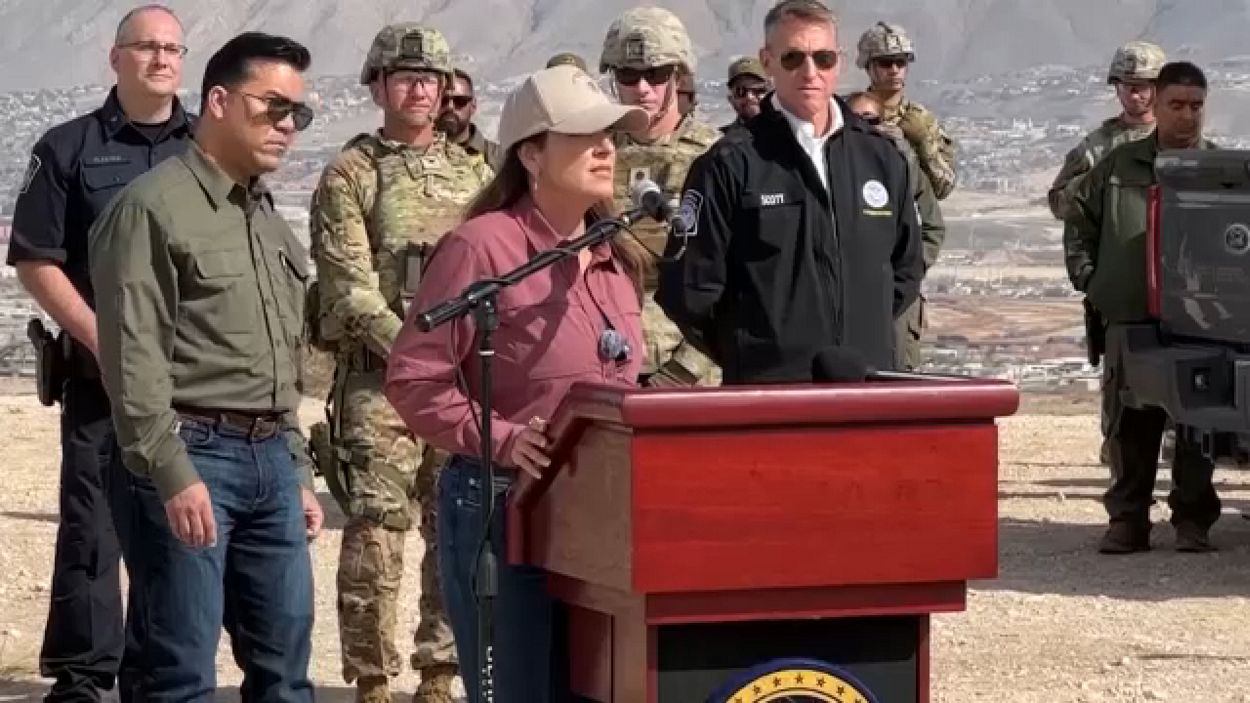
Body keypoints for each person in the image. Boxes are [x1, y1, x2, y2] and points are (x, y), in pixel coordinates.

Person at [384, 64, 649, 703]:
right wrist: (502, 438)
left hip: (598, 515)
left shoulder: (616, 255)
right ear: (531, 154)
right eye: (584, 136)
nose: (606, 149)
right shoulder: (482, 248)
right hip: (503, 508)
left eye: (610, 135)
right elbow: (415, 379)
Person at [88, 32, 323, 700]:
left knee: (285, 671)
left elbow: (276, 361)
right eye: (273, 107)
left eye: (299, 114)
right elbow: (133, 360)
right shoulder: (152, 208)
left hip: (270, 460)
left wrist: (296, 469)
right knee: (179, 672)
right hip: (191, 454)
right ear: (218, 102)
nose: (287, 126)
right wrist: (172, 473)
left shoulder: (264, 216)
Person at [4, 5, 194, 700]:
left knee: (181, 531)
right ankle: (83, 677)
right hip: (100, 379)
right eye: (146, 46)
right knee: (92, 530)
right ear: (115, 58)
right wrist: (102, 341)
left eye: (172, 48)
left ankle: (163, 673)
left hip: (194, 383)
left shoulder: (211, 148)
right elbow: (36, 258)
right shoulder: (68, 148)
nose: (161, 58)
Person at [307, 23, 490, 703]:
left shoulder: (476, 174)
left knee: (456, 530)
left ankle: (441, 671)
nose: (419, 89)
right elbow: (348, 288)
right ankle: (373, 678)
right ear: (378, 86)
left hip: (459, 381)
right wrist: (420, 353)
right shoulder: (351, 174)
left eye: (430, 78)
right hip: (380, 382)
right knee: (376, 533)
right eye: (405, 77)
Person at [656, 0, 922, 384]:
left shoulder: (880, 159)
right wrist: (751, 354)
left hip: (867, 387)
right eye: (793, 58)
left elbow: (905, 269)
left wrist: (861, 332)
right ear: (768, 62)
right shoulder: (730, 164)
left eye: (823, 58)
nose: (810, 72)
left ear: (839, 62)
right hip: (770, 397)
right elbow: (688, 291)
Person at [1065, 61, 1220, 554]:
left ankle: (1193, 520)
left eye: (1196, 106)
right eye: (1177, 105)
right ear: (1157, 103)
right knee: (1129, 423)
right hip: (1130, 312)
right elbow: (1079, 221)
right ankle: (1128, 519)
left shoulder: (1219, 170)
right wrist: (1093, 282)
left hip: (1201, 321)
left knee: (1198, 422)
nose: (1187, 116)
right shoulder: (1120, 166)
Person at [1049, 40, 1167, 466]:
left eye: (1145, 85)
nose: (1136, 94)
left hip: (1174, 285)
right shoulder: (1098, 146)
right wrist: (1092, 278)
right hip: (1119, 285)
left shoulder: (1177, 141)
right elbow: (1062, 204)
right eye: (1128, 85)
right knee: (1121, 389)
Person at [598, 5, 720, 387]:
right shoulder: (594, 155)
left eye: (656, 74)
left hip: (691, 370)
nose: (642, 88)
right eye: (628, 75)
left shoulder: (717, 158)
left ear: (678, 76)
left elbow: (735, 282)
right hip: (605, 361)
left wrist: (682, 373)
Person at [845, 90, 945, 370]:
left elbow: (931, 228)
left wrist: (901, 279)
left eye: (871, 120)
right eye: (855, 121)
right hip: (844, 302)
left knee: (895, 377)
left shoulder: (904, 170)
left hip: (894, 303)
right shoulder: (830, 170)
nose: (864, 129)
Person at [857, 21, 957, 200]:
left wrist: (923, 143)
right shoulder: (851, 114)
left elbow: (942, 189)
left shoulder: (921, 120)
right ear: (868, 67)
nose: (894, 70)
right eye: (885, 63)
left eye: (900, 62)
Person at [437, 67, 504, 171]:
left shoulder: (499, 160)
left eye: (460, 101)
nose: (450, 107)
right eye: (443, 100)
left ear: (473, 105)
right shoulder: (414, 154)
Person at [722, 56, 770, 133]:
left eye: (758, 90)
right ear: (730, 99)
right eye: (740, 91)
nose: (749, 97)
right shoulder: (722, 139)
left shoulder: (789, 133)